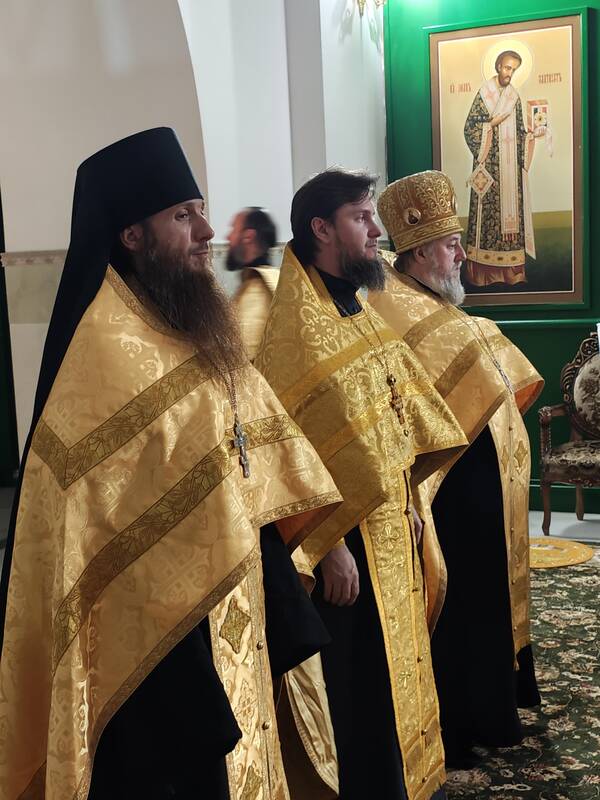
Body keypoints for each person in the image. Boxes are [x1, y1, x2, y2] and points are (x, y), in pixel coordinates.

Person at [0, 128, 342, 800]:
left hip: (233, 608)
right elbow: (97, 534)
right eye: (183, 216)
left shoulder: (191, 325)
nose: (207, 232)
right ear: (132, 235)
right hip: (159, 655)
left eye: (202, 211)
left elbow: (250, 454)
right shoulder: (104, 351)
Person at [255, 168, 468, 800]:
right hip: (344, 550)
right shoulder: (295, 332)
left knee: (398, 668)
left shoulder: (357, 308)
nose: (377, 231)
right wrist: (330, 546)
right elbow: (290, 459)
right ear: (322, 228)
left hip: (393, 526)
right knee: (360, 684)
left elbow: (399, 419)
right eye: (361, 217)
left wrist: (413, 498)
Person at [371, 169, 544, 766]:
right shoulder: (391, 307)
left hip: (480, 481)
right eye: (450, 246)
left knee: (488, 594)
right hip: (445, 488)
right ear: (420, 253)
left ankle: (495, 702)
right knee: (462, 604)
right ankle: (466, 719)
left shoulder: (434, 303)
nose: (462, 255)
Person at [464, 49, 542, 287]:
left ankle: (512, 274)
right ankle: (482, 275)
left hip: (510, 172)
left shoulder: (513, 97)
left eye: (514, 70)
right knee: (487, 218)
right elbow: (470, 128)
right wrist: (491, 124)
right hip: (488, 168)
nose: (510, 73)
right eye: (507, 68)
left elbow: (519, 132)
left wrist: (531, 136)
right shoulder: (484, 94)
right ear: (498, 66)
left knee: (511, 220)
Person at [226, 206, 279, 359]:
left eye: (233, 229)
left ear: (248, 236)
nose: (228, 237)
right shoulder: (275, 276)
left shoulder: (256, 291)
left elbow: (240, 357)